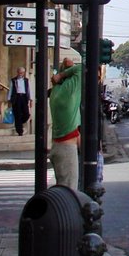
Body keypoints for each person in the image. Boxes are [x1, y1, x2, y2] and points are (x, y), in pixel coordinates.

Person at [49, 56, 82, 190]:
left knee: (62, 186)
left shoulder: (55, 91)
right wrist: (63, 73)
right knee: (69, 191)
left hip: (58, 146)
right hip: (67, 148)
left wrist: (60, 75)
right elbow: (82, 68)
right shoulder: (70, 89)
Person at [6, 66, 32, 136]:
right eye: (19, 72)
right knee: (17, 114)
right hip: (16, 97)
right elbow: (11, 90)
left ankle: (19, 122)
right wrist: (9, 99)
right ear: (17, 72)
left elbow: (29, 90)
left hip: (24, 97)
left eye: (22, 73)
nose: (20, 74)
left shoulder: (26, 80)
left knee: (26, 114)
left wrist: (30, 99)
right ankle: (19, 131)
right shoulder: (13, 80)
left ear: (24, 73)